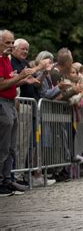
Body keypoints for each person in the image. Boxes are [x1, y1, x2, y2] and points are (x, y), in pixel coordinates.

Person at [0, 30, 37, 196]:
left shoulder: (5, 59)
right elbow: (1, 85)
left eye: (12, 42)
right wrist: (20, 77)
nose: (11, 46)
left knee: (11, 147)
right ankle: (1, 181)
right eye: (8, 43)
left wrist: (21, 79)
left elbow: (9, 81)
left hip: (10, 103)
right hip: (3, 104)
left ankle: (7, 179)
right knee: (3, 146)